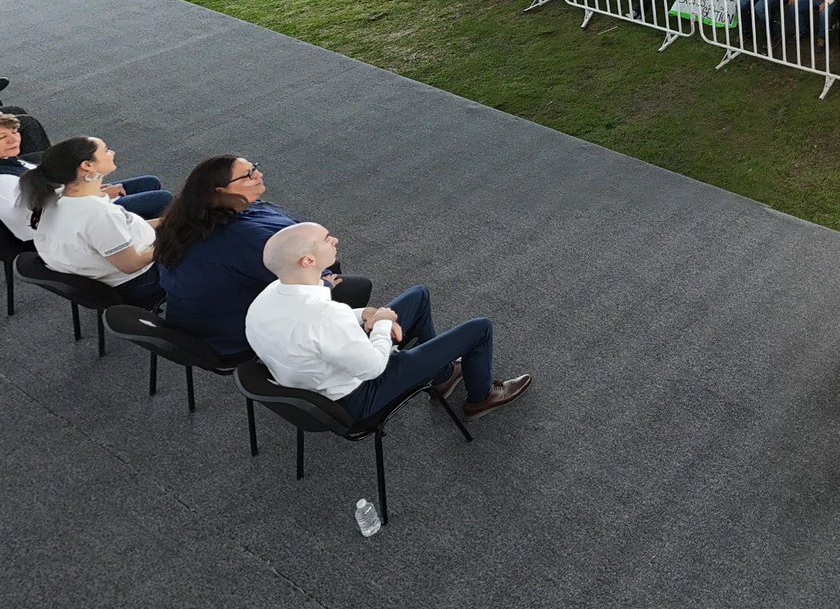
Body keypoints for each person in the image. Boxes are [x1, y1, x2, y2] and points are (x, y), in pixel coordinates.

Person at [244, 223, 530, 422]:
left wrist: (365, 314)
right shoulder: (323, 318)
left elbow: (324, 325)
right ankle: (480, 397)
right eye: (326, 239)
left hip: (321, 376)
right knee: (479, 329)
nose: (334, 240)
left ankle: (442, 377)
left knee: (418, 296)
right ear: (308, 261)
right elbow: (373, 367)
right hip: (358, 396)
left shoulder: (265, 299)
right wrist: (382, 322)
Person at [153, 156, 373, 358]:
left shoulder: (189, 217)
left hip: (193, 317)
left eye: (254, 168)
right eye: (249, 175)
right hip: (229, 333)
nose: (259, 175)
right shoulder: (247, 240)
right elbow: (295, 282)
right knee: (355, 286)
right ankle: (338, 349)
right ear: (221, 191)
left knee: (331, 268)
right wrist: (323, 283)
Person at [19, 136, 172, 305]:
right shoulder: (100, 215)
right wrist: (168, 244)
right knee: (201, 243)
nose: (111, 153)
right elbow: (132, 264)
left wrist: (168, 222)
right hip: (139, 281)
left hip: (104, 273)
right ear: (87, 166)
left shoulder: (54, 198)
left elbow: (123, 230)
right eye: (106, 150)